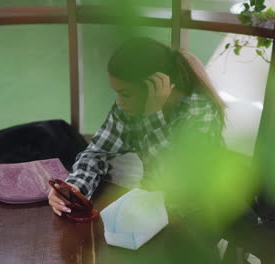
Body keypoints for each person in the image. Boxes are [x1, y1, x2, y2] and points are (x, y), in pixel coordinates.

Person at [48, 37, 226, 217]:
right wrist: (74, 189)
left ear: (154, 87)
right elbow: (97, 153)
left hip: (197, 214)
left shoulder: (201, 112)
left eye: (124, 93)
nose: (119, 101)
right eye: (117, 92)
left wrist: (152, 114)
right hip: (151, 207)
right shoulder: (129, 106)